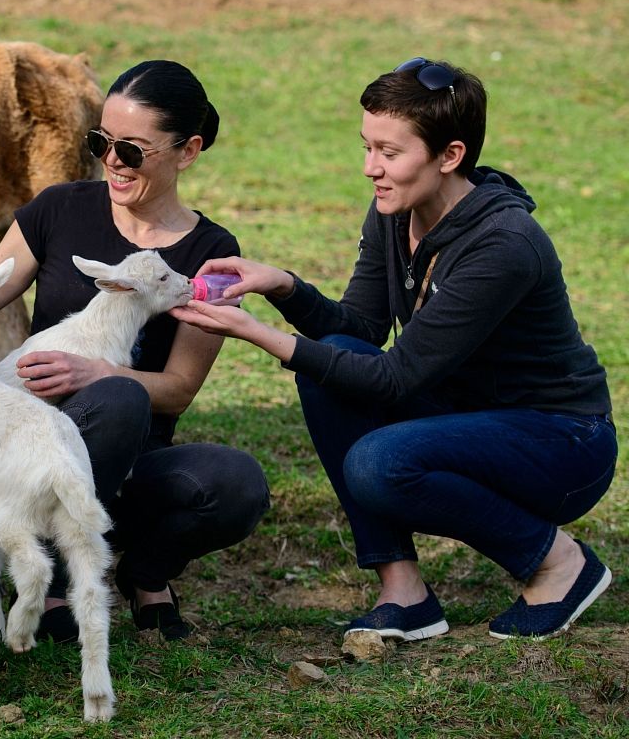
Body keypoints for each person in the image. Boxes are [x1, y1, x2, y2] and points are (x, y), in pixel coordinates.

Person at [171, 57, 617, 641]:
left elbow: (393, 379)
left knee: (379, 463)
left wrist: (259, 334)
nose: (370, 168)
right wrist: (282, 283)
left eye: (389, 152)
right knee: (329, 357)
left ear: (449, 156)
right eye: (367, 146)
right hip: (468, 416)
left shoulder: (504, 245)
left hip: (561, 444)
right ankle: (404, 592)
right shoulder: (396, 208)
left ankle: (559, 564)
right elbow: (358, 326)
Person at [0, 60, 270, 642]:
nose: (112, 162)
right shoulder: (61, 208)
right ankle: (48, 580)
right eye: (100, 142)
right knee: (114, 398)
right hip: (27, 450)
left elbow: (178, 387)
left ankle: (144, 571)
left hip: (127, 456)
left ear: (187, 150)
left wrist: (98, 371)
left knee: (235, 481)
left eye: (133, 150)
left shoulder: (211, 250)